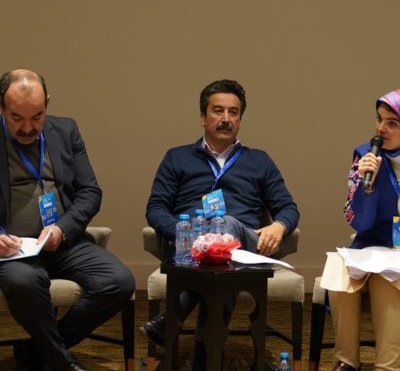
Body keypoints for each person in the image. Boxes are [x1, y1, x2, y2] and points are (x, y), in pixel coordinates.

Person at [143, 79, 299, 369]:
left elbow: (288, 208)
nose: (226, 118)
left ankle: (173, 318)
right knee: (219, 259)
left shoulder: (259, 161)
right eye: (218, 111)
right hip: (192, 247)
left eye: (233, 112)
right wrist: (185, 234)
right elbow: (155, 208)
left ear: (240, 119)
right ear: (203, 117)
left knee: (224, 224)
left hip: (244, 243)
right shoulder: (177, 157)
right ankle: (205, 354)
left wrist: (279, 226)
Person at [0, 68, 135, 371]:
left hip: (63, 243)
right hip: (13, 251)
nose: (27, 128)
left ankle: (37, 352)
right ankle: (62, 363)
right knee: (26, 283)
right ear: (1, 108)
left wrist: (62, 228)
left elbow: (90, 192)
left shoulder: (65, 131)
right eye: (17, 118)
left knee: (119, 282)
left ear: (47, 103)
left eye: (37, 116)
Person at [322, 89, 400, 371]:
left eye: (392, 123)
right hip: (370, 246)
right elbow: (359, 222)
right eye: (379, 119)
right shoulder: (365, 155)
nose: (381, 129)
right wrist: (369, 186)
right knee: (339, 273)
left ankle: (387, 366)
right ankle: (347, 361)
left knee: (386, 281)